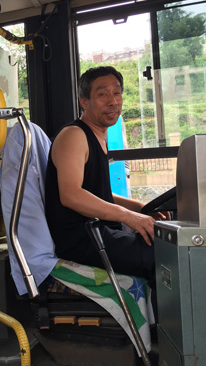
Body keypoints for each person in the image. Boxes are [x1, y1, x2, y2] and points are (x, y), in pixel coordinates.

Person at [45, 66, 169, 303]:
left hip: (100, 232)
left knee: (165, 240)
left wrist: (141, 209)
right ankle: (163, 323)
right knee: (163, 254)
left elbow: (99, 194)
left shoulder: (98, 138)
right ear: (84, 101)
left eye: (117, 93)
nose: (113, 102)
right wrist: (129, 217)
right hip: (84, 239)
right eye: (102, 94)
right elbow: (71, 194)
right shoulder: (74, 135)